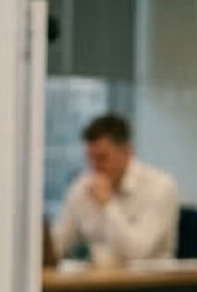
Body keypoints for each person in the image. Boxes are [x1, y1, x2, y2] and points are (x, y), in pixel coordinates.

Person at [49, 114, 179, 269]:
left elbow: (137, 251)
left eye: (102, 158)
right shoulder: (82, 186)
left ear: (127, 152)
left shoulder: (160, 186)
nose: (95, 166)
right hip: (97, 282)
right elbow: (59, 242)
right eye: (90, 157)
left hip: (149, 285)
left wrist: (108, 205)